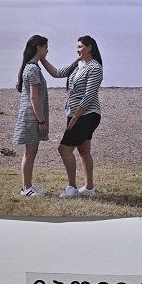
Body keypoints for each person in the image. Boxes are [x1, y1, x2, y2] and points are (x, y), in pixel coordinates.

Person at [41, 35, 103, 198]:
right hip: (75, 113)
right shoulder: (78, 64)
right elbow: (57, 73)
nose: (78, 50)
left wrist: (76, 117)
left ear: (90, 48)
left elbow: (89, 95)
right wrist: (41, 58)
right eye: (77, 47)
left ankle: (72, 187)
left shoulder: (95, 68)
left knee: (63, 149)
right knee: (83, 150)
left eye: (81, 47)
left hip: (87, 115)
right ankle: (89, 188)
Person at [12, 35, 50, 196]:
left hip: (29, 115)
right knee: (30, 153)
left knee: (30, 152)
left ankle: (27, 187)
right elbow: (34, 98)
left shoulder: (30, 67)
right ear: (38, 48)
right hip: (31, 117)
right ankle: (27, 188)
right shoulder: (33, 69)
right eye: (46, 47)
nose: (47, 50)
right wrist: (42, 121)